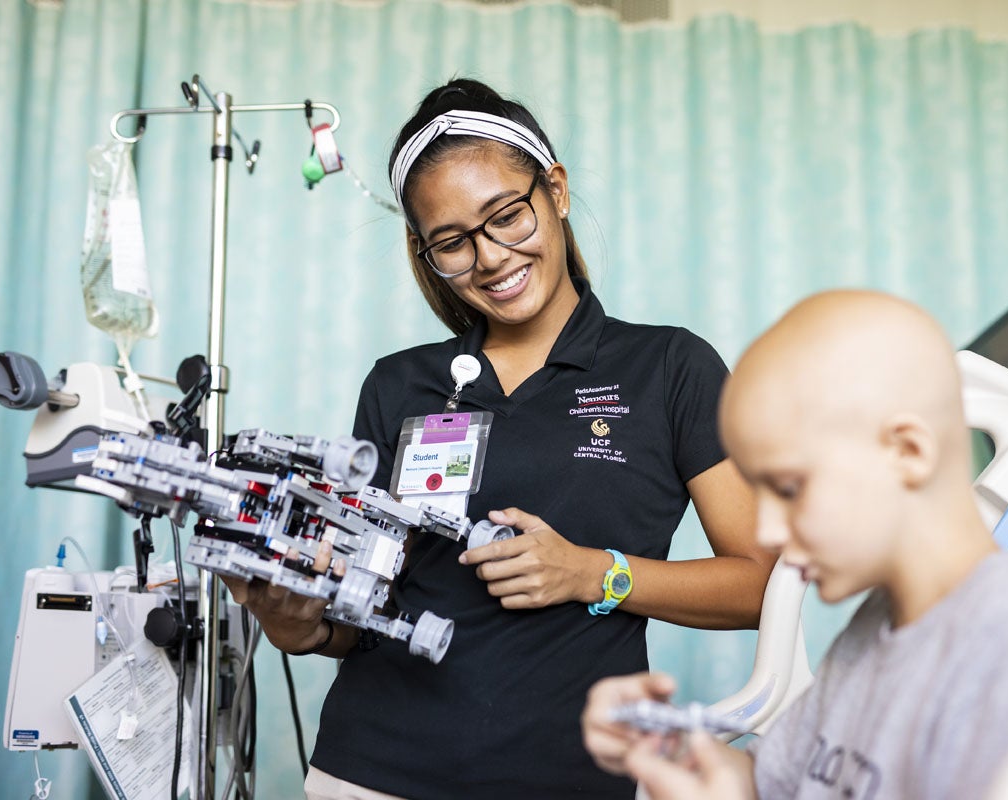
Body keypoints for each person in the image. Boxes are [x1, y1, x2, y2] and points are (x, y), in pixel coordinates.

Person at [222, 78, 775, 799]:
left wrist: (594, 573)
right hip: (369, 772)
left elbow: (764, 586)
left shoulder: (668, 367)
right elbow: (364, 611)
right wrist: (301, 627)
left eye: (507, 216)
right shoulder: (399, 385)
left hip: (568, 775)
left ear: (556, 191)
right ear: (426, 254)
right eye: (451, 242)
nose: (489, 259)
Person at [582, 289, 1008, 800]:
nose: (768, 532)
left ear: (908, 453)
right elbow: (775, 783)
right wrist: (673, 746)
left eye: (790, 488)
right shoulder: (882, 626)